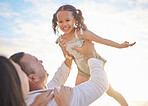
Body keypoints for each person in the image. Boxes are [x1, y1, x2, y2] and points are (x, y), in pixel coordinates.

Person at [52, 4, 136, 106]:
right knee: (77, 96)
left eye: (67, 20)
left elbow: (101, 40)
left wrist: (120, 45)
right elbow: (68, 58)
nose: (64, 24)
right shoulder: (61, 41)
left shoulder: (81, 33)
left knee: (110, 92)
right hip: (82, 69)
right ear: (57, 22)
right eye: (60, 21)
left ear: (75, 20)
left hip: (95, 64)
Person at [10, 40, 109, 106]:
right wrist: (90, 55)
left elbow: (56, 81)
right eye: (36, 61)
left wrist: (69, 58)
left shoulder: (33, 98)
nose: (41, 61)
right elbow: (100, 84)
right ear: (32, 78)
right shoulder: (56, 98)